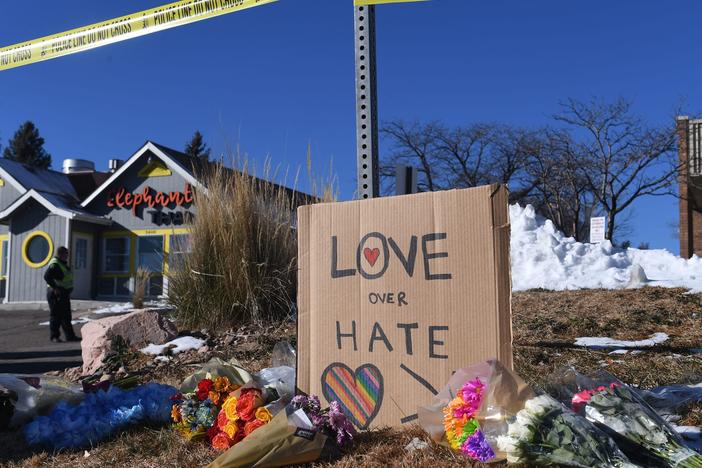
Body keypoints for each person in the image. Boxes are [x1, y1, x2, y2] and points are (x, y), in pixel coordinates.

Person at [44, 246, 80, 343]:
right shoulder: (55, 264)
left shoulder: (62, 264)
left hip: (63, 293)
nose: (67, 256)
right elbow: (47, 276)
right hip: (56, 293)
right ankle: (54, 336)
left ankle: (70, 336)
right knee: (56, 315)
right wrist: (55, 288)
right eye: (66, 254)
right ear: (61, 254)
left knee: (66, 315)